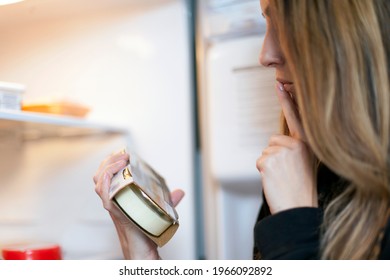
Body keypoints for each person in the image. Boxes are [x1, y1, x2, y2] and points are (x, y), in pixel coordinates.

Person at [93, 0, 390, 259]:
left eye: (286, 24)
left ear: (351, 38)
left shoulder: (296, 183)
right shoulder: (299, 167)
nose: (265, 55)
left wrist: (295, 219)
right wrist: (141, 253)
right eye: (267, 23)